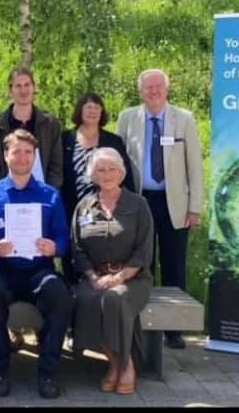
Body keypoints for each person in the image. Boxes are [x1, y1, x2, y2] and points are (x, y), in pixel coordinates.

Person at [0, 129, 73, 399]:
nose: (21, 157)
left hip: (38, 271)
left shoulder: (50, 195)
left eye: (28, 152)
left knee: (60, 294)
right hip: (0, 270)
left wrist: (56, 247)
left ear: (35, 157)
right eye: (16, 151)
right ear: (6, 155)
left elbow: (63, 236)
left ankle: (48, 372)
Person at [116, 69, 204, 350]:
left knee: (174, 262)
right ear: (140, 91)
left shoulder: (184, 119)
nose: (153, 91)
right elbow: (118, 163)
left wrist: (195, 208)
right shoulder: (128, 118)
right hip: (140, 202)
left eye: (158, 87)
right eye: (147, 87)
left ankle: (174, 330)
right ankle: (141, 323)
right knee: (143, 263)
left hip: (174, 202)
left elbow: (195, 167)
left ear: (167, 89)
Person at [71, 147, 153, 395]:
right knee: (86, 299)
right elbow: (77, 249)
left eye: (112, 169)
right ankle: (117, 363)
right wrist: (94, 277)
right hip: (94, 277)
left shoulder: (138, 204)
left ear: (122, 172)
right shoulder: (84, 206)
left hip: (133, 277)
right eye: (101, 170)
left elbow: (144, 249)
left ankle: (124, 364)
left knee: (115, 298)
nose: (107, 174)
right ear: (93, 175)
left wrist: (118, 277)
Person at [60, 92, 135, 284]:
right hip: (71, 206)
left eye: (97, 108)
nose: (93, 112)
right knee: (73, 249)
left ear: (102, 112)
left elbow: (125, 175)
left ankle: (103, 283)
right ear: (80, 111)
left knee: (100, 246)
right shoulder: (65, 139)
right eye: (88, 107)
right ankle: (73, 290)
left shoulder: (113, 141)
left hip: (105, 206)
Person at [0, 66, 63, 189]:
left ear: (34, 87)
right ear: (10, 91)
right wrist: (4, 191)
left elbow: (56, 164)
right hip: (7, 195)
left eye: (27, 85)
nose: (23, 90)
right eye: (18, 86)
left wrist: (48, 192)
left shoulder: (50, 124)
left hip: (42, 194)